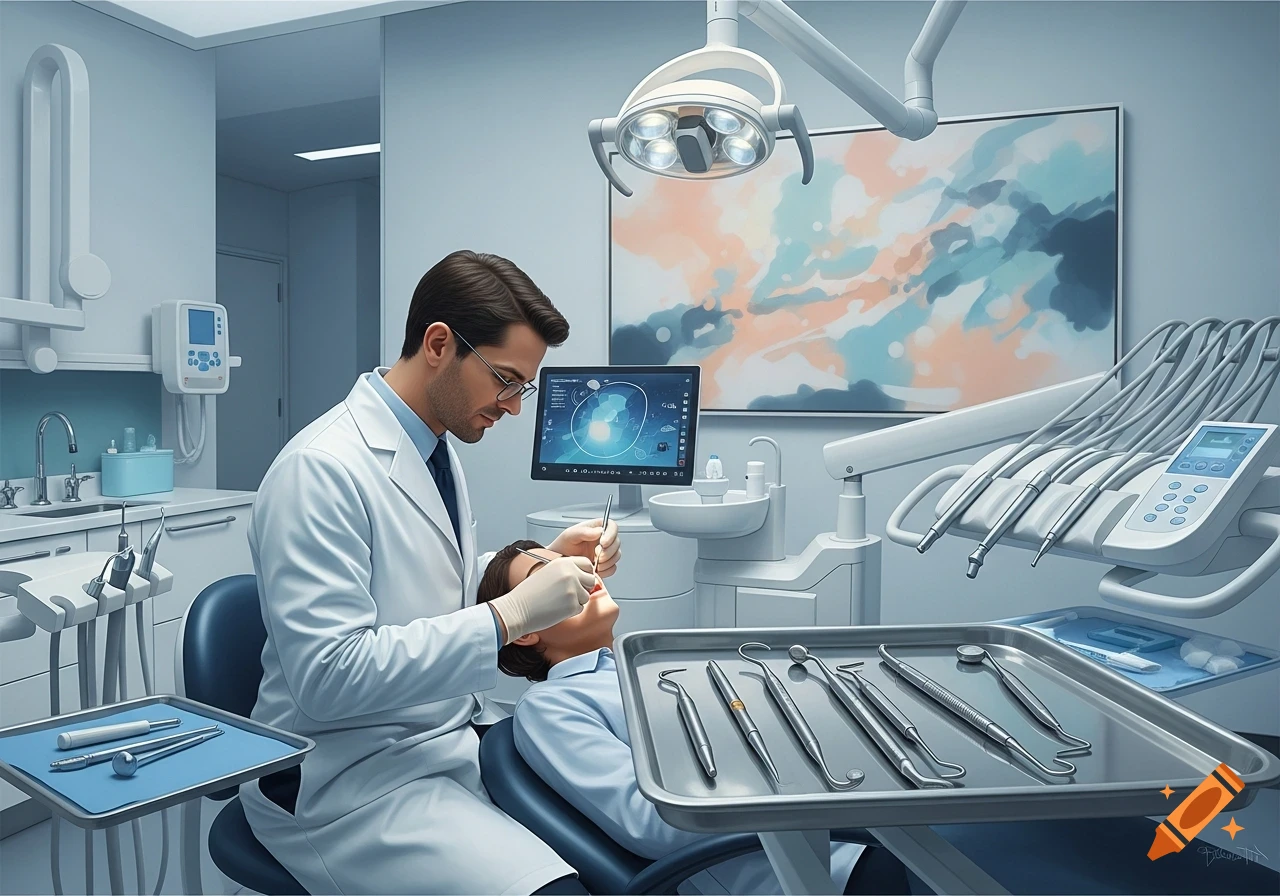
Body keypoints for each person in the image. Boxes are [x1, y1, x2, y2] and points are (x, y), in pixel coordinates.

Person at [241, 251, 621, 896]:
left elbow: (414, 579)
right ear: (439, 344)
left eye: (522, 386)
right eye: (505, 380)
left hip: (443, 736)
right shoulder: (320, 469)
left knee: (614, 856)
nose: (514, 405)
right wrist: (511, 615)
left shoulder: (435, 443)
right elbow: (327, 679)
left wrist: (536, 564)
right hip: (349, 777)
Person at [478, 541, 914, 896]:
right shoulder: (552, 706)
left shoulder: (643, 666)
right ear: (525, 629)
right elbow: (652, 826)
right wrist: (787, 776)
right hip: (812, 870)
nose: (574, 577)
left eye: (567, 565)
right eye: (546, 581)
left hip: (852, 837)